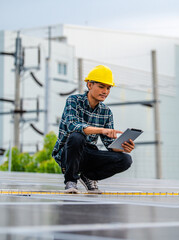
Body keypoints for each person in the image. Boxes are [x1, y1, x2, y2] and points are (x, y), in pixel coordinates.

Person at [52, 65, 135, 194]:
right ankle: (71, 181)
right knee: (76, 136)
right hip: (68, 154)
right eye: (101, 87)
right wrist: (101, 130)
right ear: (90, 85)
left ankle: (89, 177)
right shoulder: (73, 101)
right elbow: (72, 126)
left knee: (126, 160)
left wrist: (123, 147)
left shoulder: (106, 112)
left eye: (108, 88)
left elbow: (109, 144)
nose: (105, 92)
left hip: (89, 154)